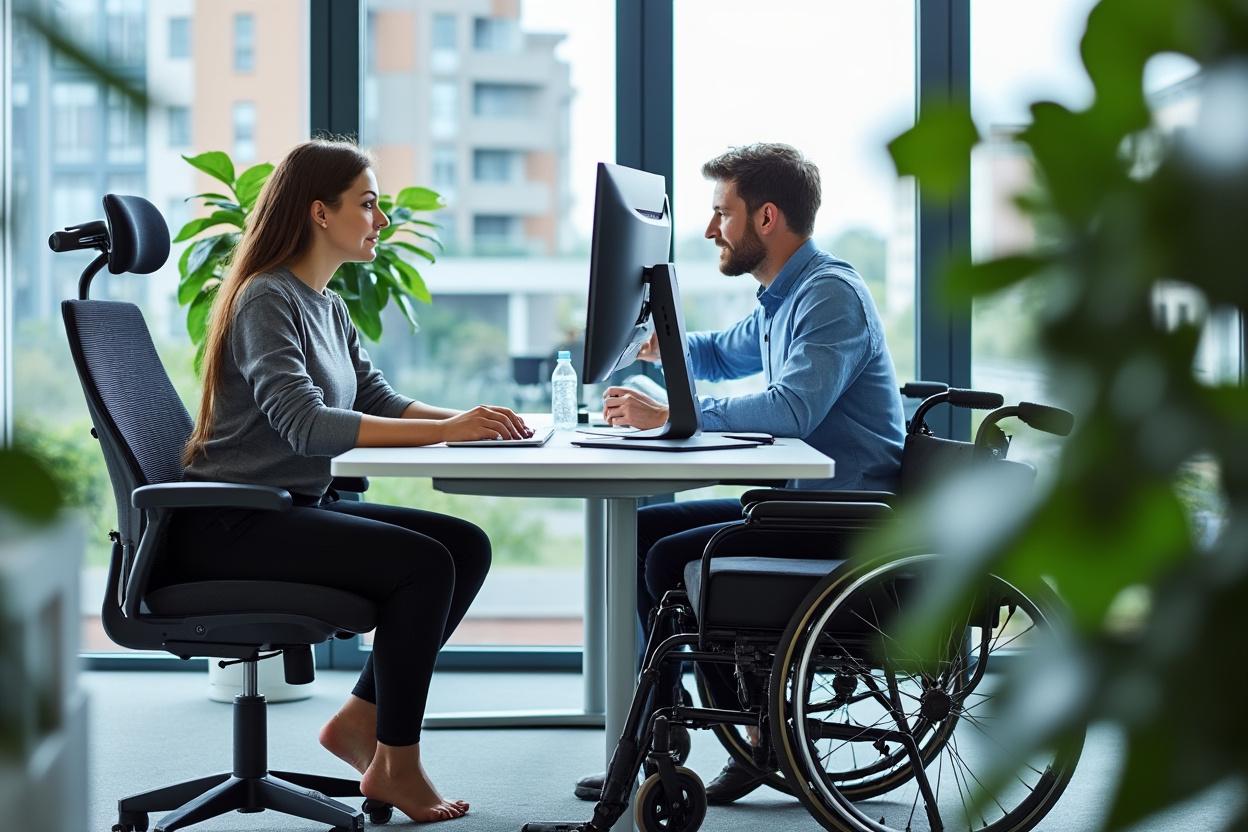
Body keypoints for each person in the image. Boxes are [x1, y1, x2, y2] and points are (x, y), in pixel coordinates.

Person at [160, 139, 533, 823]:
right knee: (422, 565)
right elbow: (308, 425)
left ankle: (360, 721)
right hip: (229, 527)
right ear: (319, 213)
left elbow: (378, 400)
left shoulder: (325, 305)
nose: (381, 220)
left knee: (464, 547)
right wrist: (450, 430)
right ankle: (399, 760)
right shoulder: (265, 299)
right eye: (368, 204)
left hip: (283, 510)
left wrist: (469, 420)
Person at [575, 143, 906, 804]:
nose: (708, 231)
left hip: (845, 517)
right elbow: (722, 356)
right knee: (644, 535)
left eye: (720, 213)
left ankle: (745, 730)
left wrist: (672, 412)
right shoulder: (781, 298)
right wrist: (650, 338)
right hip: (802, 504)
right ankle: (669, 739)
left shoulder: (830, 294)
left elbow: (792, 408)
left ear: (766, 218)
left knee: (670, 553)